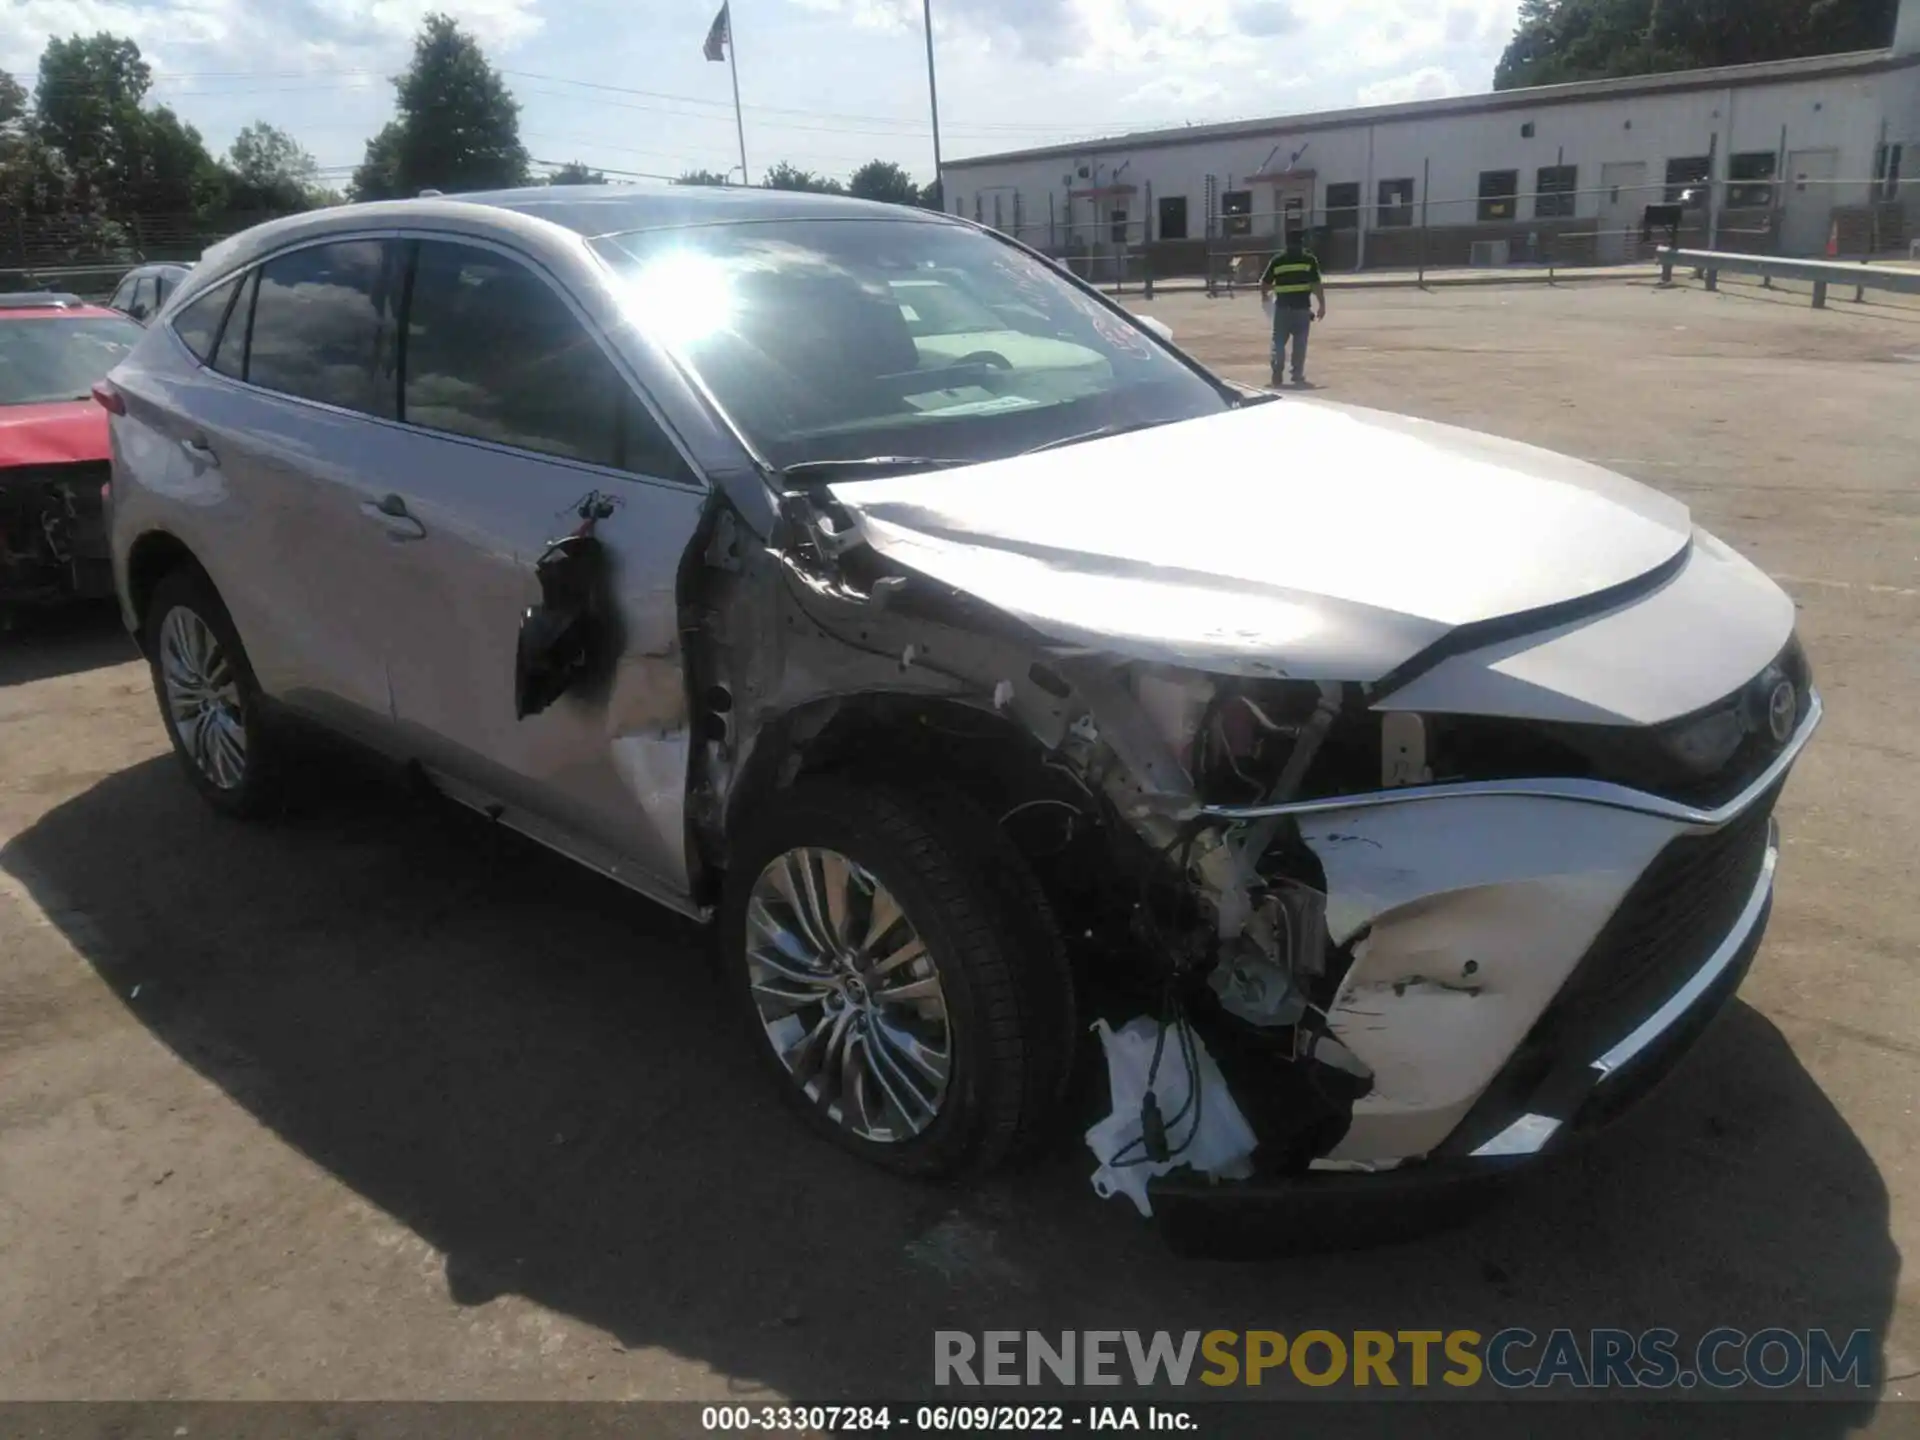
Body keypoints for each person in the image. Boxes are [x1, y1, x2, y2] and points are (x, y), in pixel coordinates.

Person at [1260, 229, 1327, 388]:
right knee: (1300, 343)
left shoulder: (1278, 260)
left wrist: (1264, 296)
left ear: (1286, 243)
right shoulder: (1309, 260)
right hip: (1302, 308)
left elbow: (1265, 283)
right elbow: (1316, 284)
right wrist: (1322, 305)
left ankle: (1277, 371)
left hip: (1282, 308)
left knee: (1278, 341)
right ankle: (1297, 374)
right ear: (1302, 242)